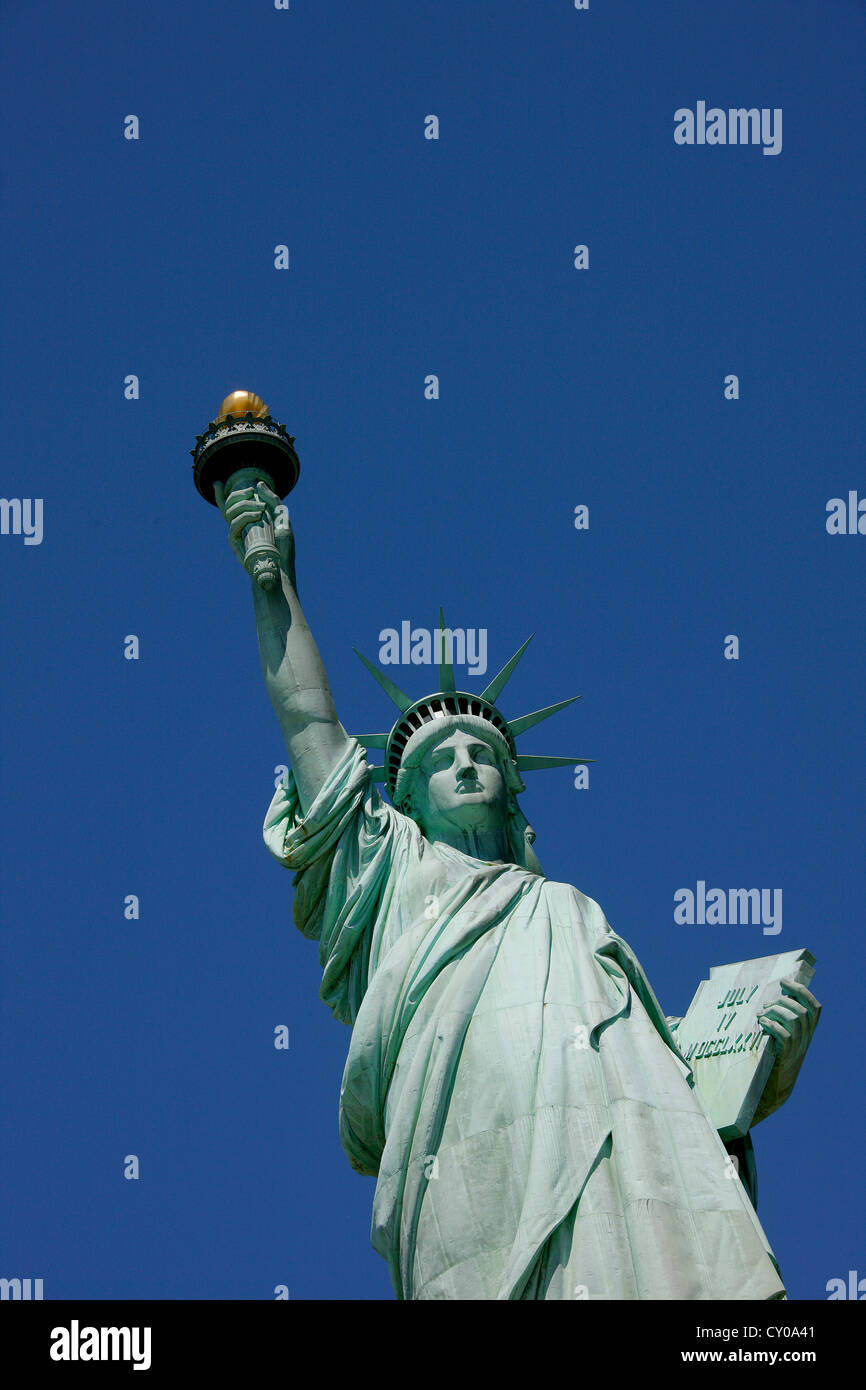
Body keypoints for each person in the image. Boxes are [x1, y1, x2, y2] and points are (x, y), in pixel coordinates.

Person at [217, 479, 820, 1301]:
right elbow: (309, 725)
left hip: (618, 1163)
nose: (464, 764)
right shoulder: (392, 878)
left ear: (512, 789)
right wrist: (272, 578)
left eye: (481, 755)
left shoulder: (568, 914)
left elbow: (675, 1078)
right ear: (410, 801)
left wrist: (756, 1055)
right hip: (461, 1160)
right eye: (439, 760)